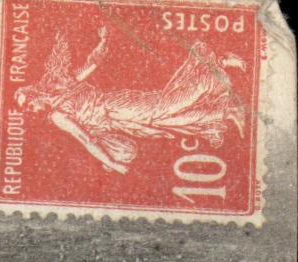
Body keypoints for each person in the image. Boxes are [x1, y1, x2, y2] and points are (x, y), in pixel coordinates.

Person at [16, 26, 248, 173]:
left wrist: (102, 42)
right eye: (27, 109)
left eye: (28, 103)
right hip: (118, 120)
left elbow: (86, 139)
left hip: (114, 106)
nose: (30, 109)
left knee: (165, 107)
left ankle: (216, 65)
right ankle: (224, 112)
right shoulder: (57, 108)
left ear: (37, 93)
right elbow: (90, 138)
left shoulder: (59, 109)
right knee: (167, 121)